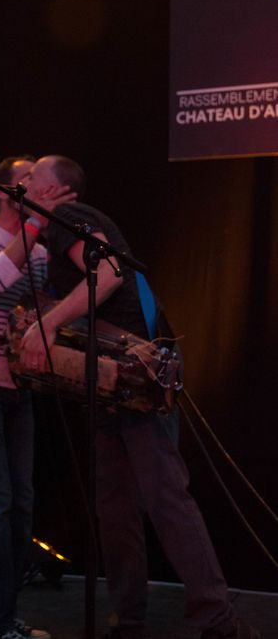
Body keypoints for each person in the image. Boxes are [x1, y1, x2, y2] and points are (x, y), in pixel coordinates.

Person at [20, 155, 262, 639]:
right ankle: (129, 617)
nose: (22, 182)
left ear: (54, 189)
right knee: (116, 503)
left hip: (135, 376)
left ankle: (217, 621)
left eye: (32, 177)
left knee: (162, 498)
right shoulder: (59, 225)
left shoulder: (71, 217)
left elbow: (108, 276)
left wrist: (45, 324)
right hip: (116, 383)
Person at [0, 156, 76, 639]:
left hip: (18, 387)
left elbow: (37, 303)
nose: (36, 190)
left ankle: (7, 616)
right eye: (26, 182)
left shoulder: (39, 253)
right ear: (3, 190)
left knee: (21, 504)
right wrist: (37, 221)